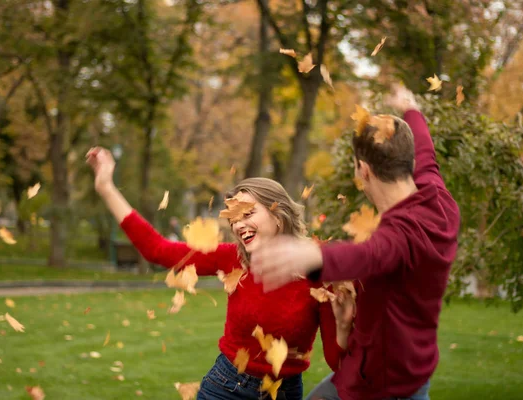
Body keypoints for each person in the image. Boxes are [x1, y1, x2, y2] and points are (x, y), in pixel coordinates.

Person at [86, 147, 354, 400]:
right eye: (234, 219)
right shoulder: (233, 258)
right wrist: (106, 188)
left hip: (284, 392)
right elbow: (157, 249)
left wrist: (343, 326)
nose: (239, 225)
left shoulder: (319, 270)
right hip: (226, 388)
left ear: (278, 215)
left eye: (248, 213)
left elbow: (337, 364)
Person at [251, 85, 461, 400]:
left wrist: (313, 257)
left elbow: (370, 255)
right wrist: (411, 108)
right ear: (408, 161)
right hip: (403, 371)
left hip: (381, 387)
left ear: (363, 170)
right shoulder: (438, 198)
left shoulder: (399, 235)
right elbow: (427, 153)